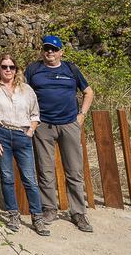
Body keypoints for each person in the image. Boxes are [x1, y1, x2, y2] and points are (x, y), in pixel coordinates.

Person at [25, 34, 95, 233]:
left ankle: (78, 212)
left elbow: (88, 92)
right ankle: (49, 209)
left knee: (74, 170)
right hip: (43, 125)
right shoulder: (33, 69)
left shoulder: (71, 69)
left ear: (61, 52)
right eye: (47, 49)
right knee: (45, 170)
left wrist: (81, 115)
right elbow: (22, 92)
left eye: (54, 49)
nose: (50, 53)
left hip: (69, 124)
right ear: (42, 51)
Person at [0, 54, 49, 236]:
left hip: (22, 134)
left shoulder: (26, 89)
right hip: (1, 133)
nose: (8, 70)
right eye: (4, 67)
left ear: (17, 69)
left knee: (29, 178)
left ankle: (37, 217)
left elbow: (35, 115)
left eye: (11, 67)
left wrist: (29, 133)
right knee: (7, 177)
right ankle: (13, 215)